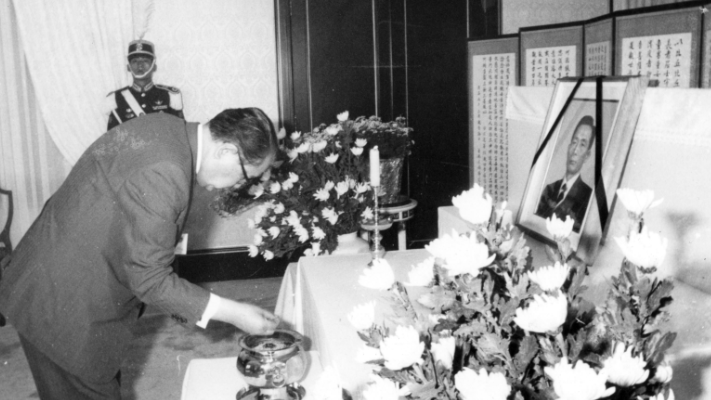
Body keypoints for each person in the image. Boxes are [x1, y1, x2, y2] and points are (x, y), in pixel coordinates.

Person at [0, 108, 280, 399]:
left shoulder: (166, 126)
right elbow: (150, 280)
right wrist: (235, 313)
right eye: (245, 176)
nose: (237, 186)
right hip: (62, 308)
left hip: (51, 278)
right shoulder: (167, 170)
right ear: (226, 151)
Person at [106, 39, 184, 131]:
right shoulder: (117, 98)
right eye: (135, 61)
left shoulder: (168, 95)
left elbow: (180, 133)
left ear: (154, 67)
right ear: (128, 67)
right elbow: (111, 137)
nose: (140, 65)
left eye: (145, 61)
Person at [535, 115, 595, 233]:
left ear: (587, 155)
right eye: (574, 142)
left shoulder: (587, 198)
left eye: (582, 145)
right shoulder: (549, 189)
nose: (575, 150)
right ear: (568, 147)